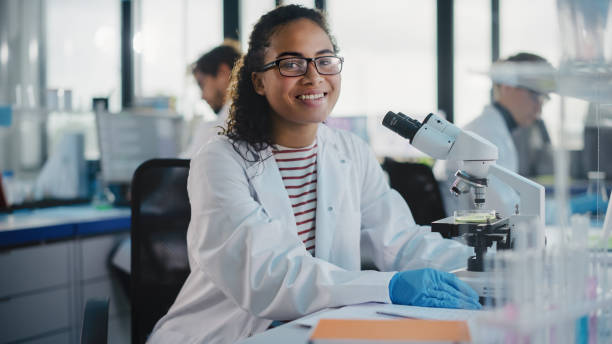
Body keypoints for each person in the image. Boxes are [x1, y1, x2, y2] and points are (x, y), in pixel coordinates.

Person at [148, 5, 479, 344]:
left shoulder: (352, 152)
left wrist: (483, 268)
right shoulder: (220, 160)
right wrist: (389, 286)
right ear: (259, 81)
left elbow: (401, 241)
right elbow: (269, 275)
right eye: (291, 63)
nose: (313, 76)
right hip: (224, 334)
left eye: (324, 60)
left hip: (315, 330)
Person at [435, 52, 555, 217]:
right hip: (467, 238)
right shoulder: (487, 133)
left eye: (544, 98)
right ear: (507, 86)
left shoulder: (493, 129)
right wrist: (561, 210)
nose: (539, 109)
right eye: (535, 95)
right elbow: (503, 210)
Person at [181, 41, 242, 158]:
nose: (202, 96)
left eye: (202, 84)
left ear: (223, 73)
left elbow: (178, 171)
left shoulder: (215, 130)